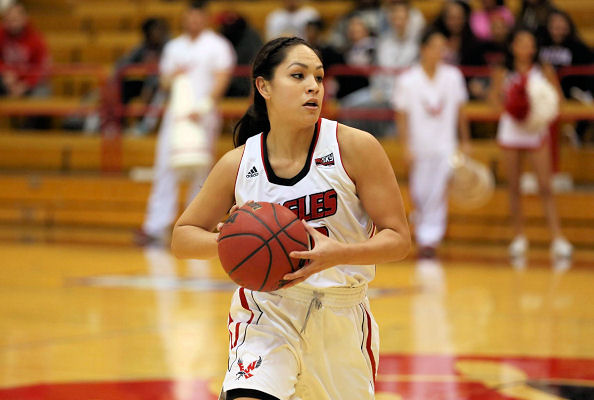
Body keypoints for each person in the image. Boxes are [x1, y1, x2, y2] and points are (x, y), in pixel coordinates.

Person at [171, 36, 410, 400]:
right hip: (267, 312)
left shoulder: (355, 147)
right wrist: (233, 239)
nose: (313, 86)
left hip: (340, 318)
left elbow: (398, 239)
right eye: (298, 76)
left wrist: (337, 253)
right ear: (263, 86)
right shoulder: (239, 163)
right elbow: (183, 237)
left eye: (318, 76)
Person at [135, 0, 235, 246]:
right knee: (164, 166)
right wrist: (172, 77)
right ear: (184, 18)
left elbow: (222, 78)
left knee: (200, 171)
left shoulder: (217, 46)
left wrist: (204, 107)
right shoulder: (174, 46)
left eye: (198, 17)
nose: (193, 21)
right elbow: (164, 82)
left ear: (206, 18)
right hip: (177, 115)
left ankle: (195, 226)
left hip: (203, 115)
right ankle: (155, 226)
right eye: (189, 17)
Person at [488, 28, 572, 259]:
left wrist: (537, 108)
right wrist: (512, 105)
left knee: (545, 185)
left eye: (530, 43)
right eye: (521, 43)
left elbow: (559, 101)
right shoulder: (503, 71)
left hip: (535, 132)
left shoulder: (543, 70)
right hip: (511, 132)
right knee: (514, 186)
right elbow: (494, 100)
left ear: (534, 48)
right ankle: (519, 237)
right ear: (512, 46)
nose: (525, 48)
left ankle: (557, 238)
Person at [393, 29, 471, 259]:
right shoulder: (407, 80)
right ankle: (423, 229)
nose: (440, 52)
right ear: (423, 49)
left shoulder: (453, 76)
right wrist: (405, 146)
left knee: (438, 192)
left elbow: (460, 110)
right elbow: (402, 115)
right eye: (435, 47)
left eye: (443, 47)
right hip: (419, 145)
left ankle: (430, 239)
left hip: (446, 145)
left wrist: (465, 141)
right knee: (421, 192)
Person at [0, 1, 49, 97]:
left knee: (42, 93)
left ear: (24, 18)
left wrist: (25, 84)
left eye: (16, 19)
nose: (13, 23)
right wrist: (4, 72)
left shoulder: (36, 38)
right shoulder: (1, 34)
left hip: (29, 83)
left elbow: (42, 67)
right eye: (9, 19)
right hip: (5, 80)